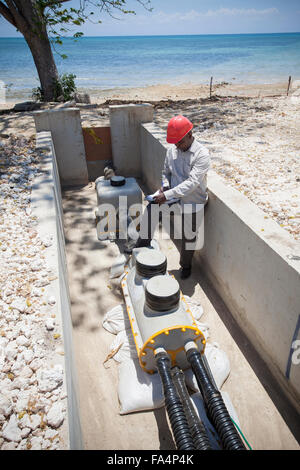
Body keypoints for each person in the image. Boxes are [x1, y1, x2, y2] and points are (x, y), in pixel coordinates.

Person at [124, 115, 210, 279]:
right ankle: (142, 244)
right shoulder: (172, 151)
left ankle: (186, 266)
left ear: (190, 135)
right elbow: (166, 172)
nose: (177, 145)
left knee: (188, 237)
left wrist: (167, 194)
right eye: (175, 142)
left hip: (193, 202)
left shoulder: (202, 155)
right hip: (174, 198)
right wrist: (165, 186)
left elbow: (192, 183)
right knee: (152, 209)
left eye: (180, 142)